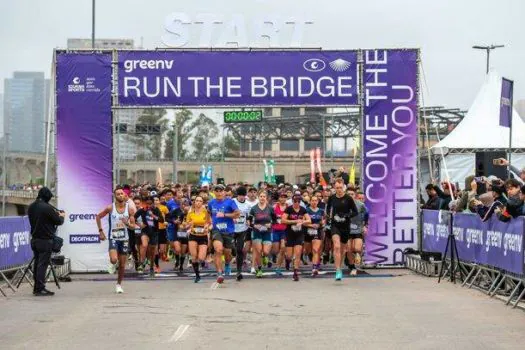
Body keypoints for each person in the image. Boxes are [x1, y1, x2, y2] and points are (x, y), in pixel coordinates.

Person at [96, 187, 136, 293]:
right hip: (113, 237)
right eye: (118, 194)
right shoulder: (110, 208)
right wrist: (100, 231)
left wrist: (127, 223)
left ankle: (119, 284)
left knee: (122, 265)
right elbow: (98, 216)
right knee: (114, 259)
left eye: (122, 194)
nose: (120, 195)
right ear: (115, 196)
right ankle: (113, 263)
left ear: (125, 195)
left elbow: (133, 226)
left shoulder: (130, 209)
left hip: (125, 239)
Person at [27, 187, 65, 296]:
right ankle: (40, 289)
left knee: (37, 264)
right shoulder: (47, 208)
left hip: (34, 240)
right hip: (45, 241)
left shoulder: (31, 207)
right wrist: (62, 216)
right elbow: (58, 221)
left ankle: (36, 287)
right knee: (42, 265)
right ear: (47, 196)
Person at [326, 178, 358, 281]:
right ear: (334, 188)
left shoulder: (348, 198)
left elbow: (355, 212)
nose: (339, 190)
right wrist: (330, 217)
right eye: (336, 188)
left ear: (343, 187)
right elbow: (328, 210)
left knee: (343, 249)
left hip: (345, 226)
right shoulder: (332, 198)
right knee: (336, 246)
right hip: (335, 225)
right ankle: (338, 270)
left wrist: (346, 215)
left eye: (340, 188)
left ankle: (339, 266)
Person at [208, 184, 240, 284]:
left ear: (224, 192)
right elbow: (209, 214)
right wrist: (209, 223)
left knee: (227, 253)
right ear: (214, 192)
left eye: (221, 191)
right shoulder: (211, 202)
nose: (219, 193)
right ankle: (219, 273)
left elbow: (237, 214)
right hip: (216, 230)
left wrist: (225, 214)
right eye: (216, 191)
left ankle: (227, 264)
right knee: (218, 249)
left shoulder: (230, 202)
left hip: (228, 230)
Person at [282, 194, 311, 281]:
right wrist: (294, 221)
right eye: (295, 201)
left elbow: (309, 220)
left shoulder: (303, 209)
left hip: (299, 234)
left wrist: (302, 222)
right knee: (289, 256)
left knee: (298, 253)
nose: (297, 203)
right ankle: (287, 261)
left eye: (298, 201)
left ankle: (295, 272)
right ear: (292, 201)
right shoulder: (289, 209)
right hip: (289, 234)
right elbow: (283, 220)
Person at [248, 190, 276, 278]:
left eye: (264, 197)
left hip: (267, 232)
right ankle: (259, 269)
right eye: (261, 196)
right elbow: (248, 221)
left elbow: (275, 220)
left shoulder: (270, 208)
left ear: (266, 198)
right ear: (258, 197)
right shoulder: (253, 208)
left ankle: (265, 256)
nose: (262, 198)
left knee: (266, 251)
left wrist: (270, 224)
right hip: (257, 232)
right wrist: (254, 225)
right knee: (258, 251)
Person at [135, 196, 164, 277]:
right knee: (144, 245)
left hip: (154, 232)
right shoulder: (142, 210)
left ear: (153, 203)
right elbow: (134, 217)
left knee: (153, 252)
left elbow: (162, 220)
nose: (148, 205)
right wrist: (139, 224)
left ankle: (151, 267)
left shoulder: (156, 209)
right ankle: (141, 264)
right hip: (145, 231)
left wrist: (153, 216)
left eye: (150, 203)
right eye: (147, 203)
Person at [185, 196, 211, 283]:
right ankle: (197, 276)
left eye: (200, 201)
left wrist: (208, 228)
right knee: (194, 256)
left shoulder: (206, 213)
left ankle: (203, 260)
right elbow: (186, 225)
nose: (198, 202)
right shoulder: (190, 213)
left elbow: (211, 224)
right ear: (194, 202)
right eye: (197, 201)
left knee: (201, 258)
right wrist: (189, 225)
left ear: (202, 203)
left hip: (203, 236)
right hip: (193, 235)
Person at [233, 186, 253, 281]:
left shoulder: (248, 204)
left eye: (243, 195)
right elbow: (227, 212)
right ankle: (229, 264)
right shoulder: (232, 202)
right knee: (232, 250)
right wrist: (232, 218)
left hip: (242, 229)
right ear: (237, 195)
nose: (242, 197)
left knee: (240, 250)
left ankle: (239, 271)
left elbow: (250, 216)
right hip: (232, 229)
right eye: (240, 195)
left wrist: (249, 220)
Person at [347, 188, 369, 276]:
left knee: (357, 248)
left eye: (352, 194)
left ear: (354, 195)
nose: (350, 195)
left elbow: (367, 214)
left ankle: (358, 256)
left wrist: (365, 225)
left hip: (358, 229)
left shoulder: (360, 205)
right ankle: (353, 267)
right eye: (348, 194)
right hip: (347, 230)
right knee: (348, 250)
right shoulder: (342, 205)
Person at [305, 195, 324, 276]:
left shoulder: (321, 211)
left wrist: (321, 224)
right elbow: (303, 221)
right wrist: (311, 226)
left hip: (317, 231)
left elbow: (323, 220)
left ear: (318, 202)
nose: (314, 202)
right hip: (308, 231)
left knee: (315, 250)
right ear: (310, 201)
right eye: (312, 200)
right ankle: (308, 255)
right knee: (307, 251)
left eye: (316, 200)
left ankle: (314, 268)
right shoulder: (306, 210)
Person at [271, 191, 288, 275]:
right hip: (275, 230)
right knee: (275, 250)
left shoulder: (289, 207)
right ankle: (273, 256)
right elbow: (270, 216)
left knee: (283, 248)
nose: (283, 199)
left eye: (285, 197)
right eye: (281, 197)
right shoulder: (274, 207)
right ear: (279, 198)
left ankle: (278, 267)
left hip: (284, 231)